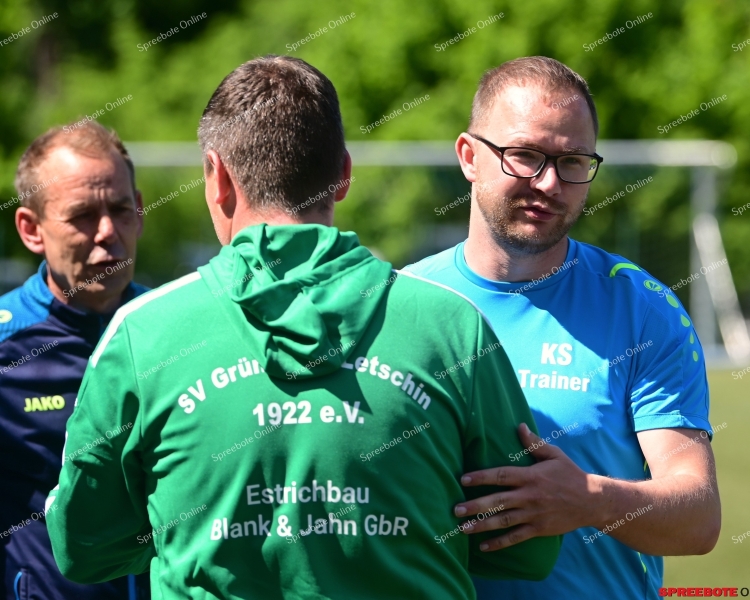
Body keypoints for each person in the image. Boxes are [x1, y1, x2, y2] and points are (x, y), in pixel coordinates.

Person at [45, 55, 561, 599]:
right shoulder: (453, 326)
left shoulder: (142, 334)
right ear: (342, 174)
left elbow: (82, 546)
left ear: (216, 177)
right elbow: (525, 546)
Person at [405, 56, 721, 599]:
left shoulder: (640, 309)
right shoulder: (404, 303)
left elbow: (697, 518)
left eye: (573, 161)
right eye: (525, 156)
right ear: (468, 157)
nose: (549, 183)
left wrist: (589, 500)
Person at [0, 122, 149, 599]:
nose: (107, 232)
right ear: (31, 229)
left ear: (140, 212)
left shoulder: (173, 331)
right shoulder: (7, 347)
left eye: (121, 210)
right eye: (82, 215)